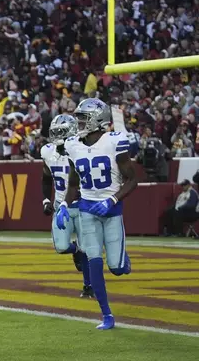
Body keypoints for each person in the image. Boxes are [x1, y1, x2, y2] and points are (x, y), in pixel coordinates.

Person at [57, 98, 138, 330]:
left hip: (112, 211)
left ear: (97, 119)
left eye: (83, 118)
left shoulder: (114, 142)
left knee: (116, 267)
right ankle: (107, 315)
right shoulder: (73, 145)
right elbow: (73, 182)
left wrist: (112, 199)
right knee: (93, 260)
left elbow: (133, 179)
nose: (79, 123)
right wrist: (63, 205)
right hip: (87, 210)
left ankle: (123, 262)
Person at [41, 115, 93, 298]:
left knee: (87, 248)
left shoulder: (82, 150)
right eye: (55, 132)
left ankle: (89, 286)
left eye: (61, 132)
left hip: (82, 205)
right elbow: (46, 178)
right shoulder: (47, 152)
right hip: (60, 206)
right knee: (61, 246)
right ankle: (76, 251)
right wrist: (46, 200)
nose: (57, 136)